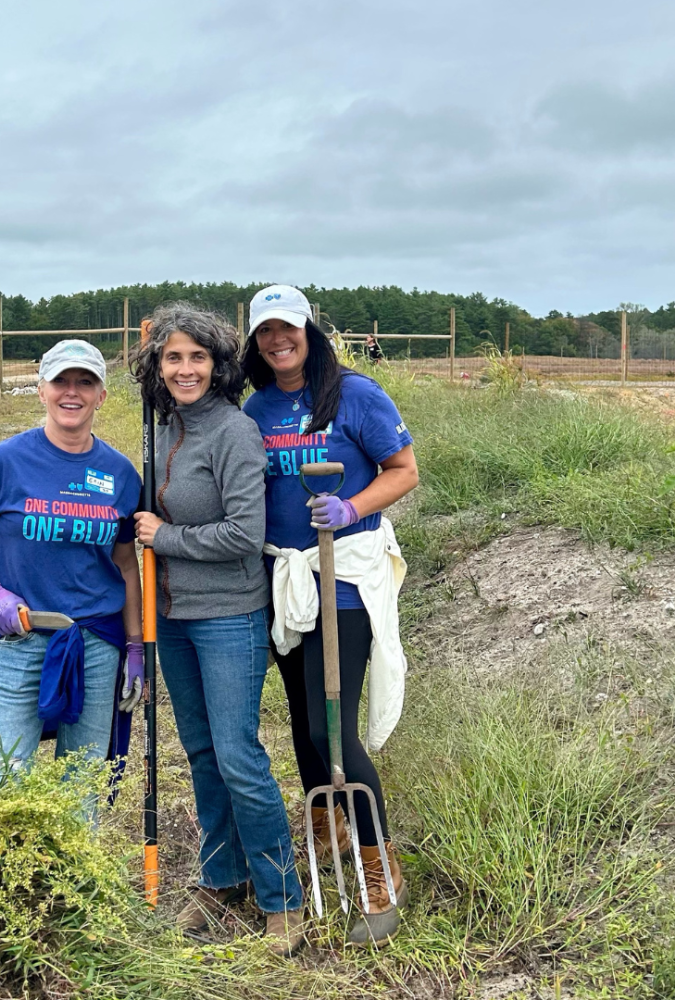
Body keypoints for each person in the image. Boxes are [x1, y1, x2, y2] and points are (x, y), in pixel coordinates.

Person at [241, 284, 419, 946]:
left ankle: (380, 868)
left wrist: (352, 507)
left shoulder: (356, 395)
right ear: (256, 341)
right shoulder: (256, 408)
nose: (277, 340)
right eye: (265, 332)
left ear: (309, 332)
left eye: (288, 328)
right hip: (285, 579)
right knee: (301, 720)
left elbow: (403, 470)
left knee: (331, 729)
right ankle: (329, 825)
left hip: (343, 578)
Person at [131, 303, 306, 957]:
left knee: (238, 757)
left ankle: (282, 897)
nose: (184, 368)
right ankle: (220, 878)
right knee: (201, 755)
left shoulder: (234, 432)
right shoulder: (159, 428)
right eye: (173, 357)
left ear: (219, 364)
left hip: (229, 614)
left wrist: (165, 535)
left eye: (197, 357)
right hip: (170, 616)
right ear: (157, 364)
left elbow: (244, 534)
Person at [0, 340, 143, 804]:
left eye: (85, 382)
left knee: (83, 784)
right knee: (1, 777)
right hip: (19, 636)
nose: (71, 393)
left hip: (95, 641)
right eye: (61, 382)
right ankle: (4, 872)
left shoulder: (119, 474)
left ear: (101, 396)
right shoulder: (3, 462)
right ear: (41, 390)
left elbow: (126, 564)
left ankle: (76, 874)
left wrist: (135, 646)